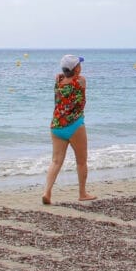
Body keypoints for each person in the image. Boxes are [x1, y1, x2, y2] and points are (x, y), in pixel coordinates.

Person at [42, 54, 96, 205]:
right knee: (81, 161)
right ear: (76, 68)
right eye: (79, 65)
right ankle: (82, 193)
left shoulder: (58, 80)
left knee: (56, 161)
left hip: (56, 125)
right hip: (74, 124)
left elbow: (61, 76)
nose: (81, 67)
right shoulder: (80, 81)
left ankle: (47, 191)